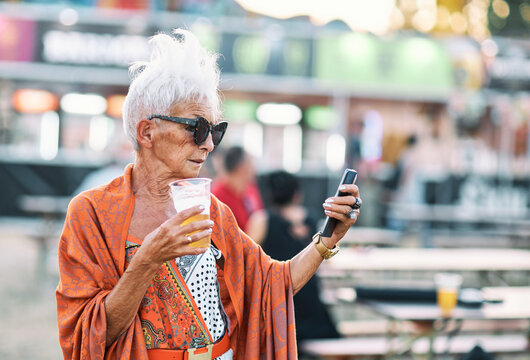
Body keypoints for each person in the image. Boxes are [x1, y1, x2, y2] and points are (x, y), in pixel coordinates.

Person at [56, 29, 361, 360]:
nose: (209, 144)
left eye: (216, 130)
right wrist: (147, 259)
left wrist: (328, 237)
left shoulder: (213, 210)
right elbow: (85, 336)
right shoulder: (91, 213)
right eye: (196, 128)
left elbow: (273, 285)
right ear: (147, 131)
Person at [246, 170, 340, 345]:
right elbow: (328, 262)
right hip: (313, 311)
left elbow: (246, 263)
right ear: (297, 195)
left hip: (278, 312)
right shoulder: (311, 219)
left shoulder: (262, 220)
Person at [211, 146, 263, 232]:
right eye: (251, 163)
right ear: (241, 167)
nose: (255, 168)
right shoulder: (217, 195)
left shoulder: (251, 188)